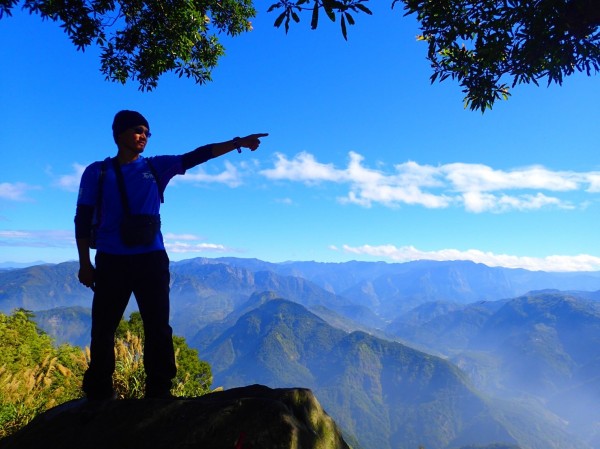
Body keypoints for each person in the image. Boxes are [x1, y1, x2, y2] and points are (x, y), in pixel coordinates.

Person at [74, 110, 267, 400]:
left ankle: (159, 391)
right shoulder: (97, 172)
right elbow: (82, 217)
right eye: (138, 130)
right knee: (103, 328)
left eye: (147, 133)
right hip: (111, 260)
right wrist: (84, 264)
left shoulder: (156, 167)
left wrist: (237, 142)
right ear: (118, 133)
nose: (144, 137)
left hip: (151, 259)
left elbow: (199, 155)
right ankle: (99, 391)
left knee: (158, 327)